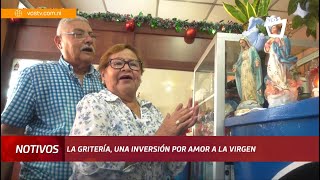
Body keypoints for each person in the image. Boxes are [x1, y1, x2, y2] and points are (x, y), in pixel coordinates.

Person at [69, 44, 199, 179]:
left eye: (133, 64)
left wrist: (177, 137)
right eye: (117, 63)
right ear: (103, 75)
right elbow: (86, 159)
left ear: (140, 75)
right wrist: (159, 139)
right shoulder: (93, 103)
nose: (126, 68)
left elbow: (174, 168)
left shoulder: (151, 110)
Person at [1, 17, 104, 179]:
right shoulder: (35, 75)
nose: (89, 40)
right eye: (78, 34)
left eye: (91, 35)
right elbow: (10, 133)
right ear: (59, 42)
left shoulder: (103, 82)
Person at [264, 24, 298, 107]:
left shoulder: (282, 37)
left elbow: (284, 48)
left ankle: (281, 85)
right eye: (271, 28)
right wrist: (267, 45)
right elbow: (266, 49)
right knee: (271, 70)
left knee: (279, 70)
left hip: (278, 58)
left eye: (274, 27)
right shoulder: (270, 39)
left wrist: (278, 41)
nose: (273, 29)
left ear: (278, 28)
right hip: (272, 57)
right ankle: (276, 85)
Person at [232, 37, 264, 106]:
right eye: (240, 43)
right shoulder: (242, 53)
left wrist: (257, 61)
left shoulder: (252, 49)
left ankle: (253, 98)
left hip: (250, 68)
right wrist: (236, 67)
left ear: (246, 41)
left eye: (242, 42)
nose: (241, 44)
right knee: (244, 83)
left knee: (251, 81)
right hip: (243, 70)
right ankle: (245, 98)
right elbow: (238, 62)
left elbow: (256, 57)